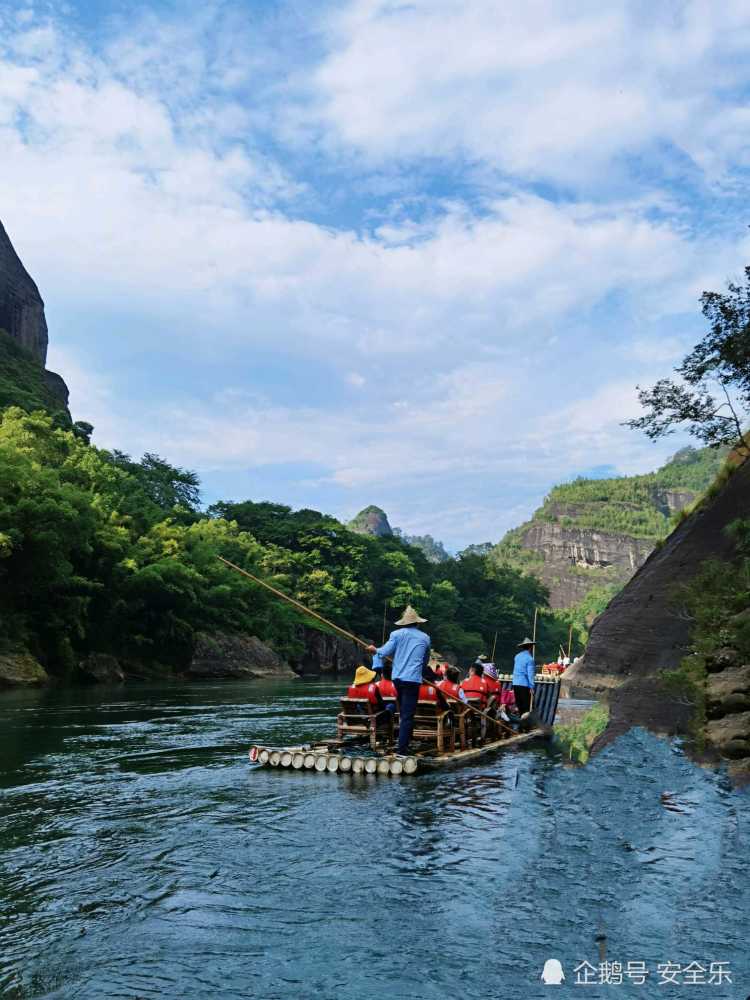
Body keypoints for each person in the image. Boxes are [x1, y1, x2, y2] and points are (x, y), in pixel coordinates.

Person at [367, 605, 436, 756]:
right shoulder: (425, 638)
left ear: (404, 623)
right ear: (417, 623)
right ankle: (402, 749)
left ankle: (404, 739)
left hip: (397, 679)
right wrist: (419, 669)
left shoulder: (396, 634)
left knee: (404, 711)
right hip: (412, 680)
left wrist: (374, 650)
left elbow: (384, 651)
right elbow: (425, 660)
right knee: (407, 715)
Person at [512, 637, 536, 715]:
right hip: (524, 684)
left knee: (519, 705)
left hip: (515, 683)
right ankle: (525, 724)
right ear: (530, 647)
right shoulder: (529, 659)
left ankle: (520, 722)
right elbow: (530, 674)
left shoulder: (517, 656)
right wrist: (531, 687)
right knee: (526, 707)